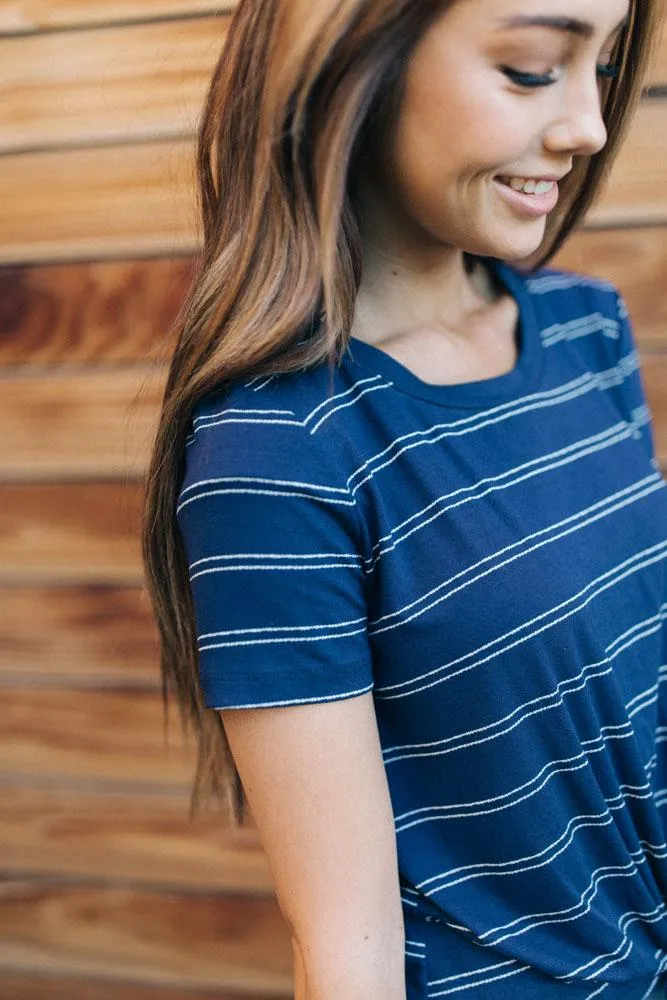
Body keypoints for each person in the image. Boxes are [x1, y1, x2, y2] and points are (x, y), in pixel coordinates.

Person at [141, 0, 667, 996]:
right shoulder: (281, 448)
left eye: (599, 67)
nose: (588, 126)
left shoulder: (586, 327)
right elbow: (347, 946)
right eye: (528, 69)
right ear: (353, 62)